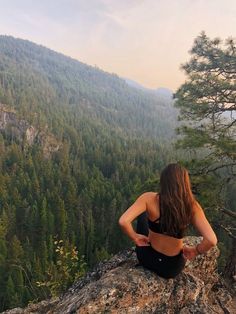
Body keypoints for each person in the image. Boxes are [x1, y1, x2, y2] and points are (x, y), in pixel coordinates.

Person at [119, 163, 217, 279]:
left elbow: (123, 221)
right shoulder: (192, 206)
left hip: (147, 259)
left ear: (163, 181)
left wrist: (135, 237)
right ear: (185, 183)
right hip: (171, 268)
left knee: (143, 215)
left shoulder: (149, 198)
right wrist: (195, 251)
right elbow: (211, 240)